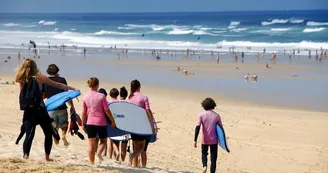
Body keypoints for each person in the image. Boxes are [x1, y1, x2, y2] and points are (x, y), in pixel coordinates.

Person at [15, 58, 77, 161]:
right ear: (35, 67)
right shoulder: (39, 77)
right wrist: (72, 89)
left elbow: (21, 94)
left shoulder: (21, 78)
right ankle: (47, 157)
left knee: (29, 135)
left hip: (29, 110)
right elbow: (58, 85)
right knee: (48, 133)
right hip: (40, 110)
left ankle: (26, 156)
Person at [82, 77, 116, 165]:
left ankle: (92, 163)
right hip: (101, 122)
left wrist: (83, 124)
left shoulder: (85, 96)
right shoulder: (102, 96)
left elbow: (84, 112)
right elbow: (106, 110)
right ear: (97, 85)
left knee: (91, 144)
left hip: (90, 122)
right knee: (104, 141)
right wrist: (112, 120)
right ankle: (100, 153)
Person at [43, 64, 75, 146]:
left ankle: (56, 142)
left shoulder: (45, 81)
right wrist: (72, 106)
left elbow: (43, 95)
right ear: (57, 70)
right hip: (62, 106)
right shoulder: (62, 80)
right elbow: (66, 94)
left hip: (51, 108)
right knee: (64, 124)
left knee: (53, 127)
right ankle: (63, 135)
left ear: (48, 71)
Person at [126, 80, 155, 167]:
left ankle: (134, 165)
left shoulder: (128, 98)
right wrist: (152, 124)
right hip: (142, 126)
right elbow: (148, 111)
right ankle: (132, 156)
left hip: (132, 126)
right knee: (142, 148)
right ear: (139, 87)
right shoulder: (144, 98)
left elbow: (126, 113)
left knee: (135, 147)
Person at [194, 98, 222, 173]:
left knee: (204, 153)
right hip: (214, 140)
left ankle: (204, 166)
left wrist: (195, 140)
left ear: (204, 105)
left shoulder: (201, 115)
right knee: (213, 159)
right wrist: (222, 140)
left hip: (205, 140)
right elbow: (221, 129)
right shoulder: (217, 116)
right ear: (213, 105)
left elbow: (197, 127)